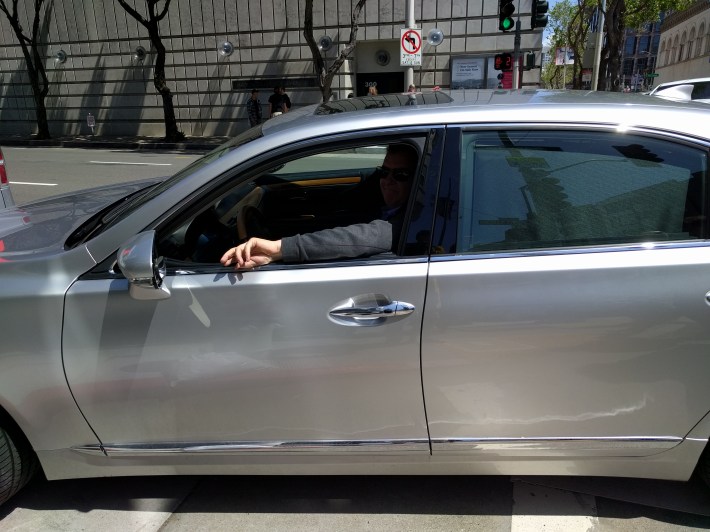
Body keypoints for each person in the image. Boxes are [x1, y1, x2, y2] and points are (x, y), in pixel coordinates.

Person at [220, 143, 418, 269]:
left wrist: (277, 248)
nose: (387, 181)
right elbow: (339, 219)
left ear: (418, 179)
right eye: (384, 172)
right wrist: (273, 256)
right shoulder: (383, 205)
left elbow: (364, 236)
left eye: (400, 175)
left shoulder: (412, 219)